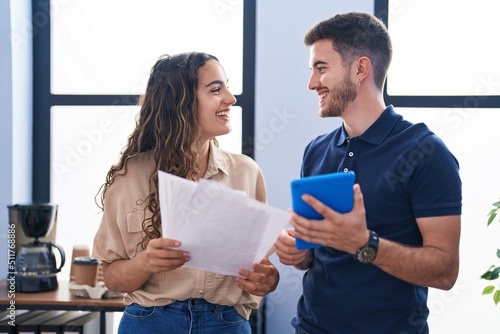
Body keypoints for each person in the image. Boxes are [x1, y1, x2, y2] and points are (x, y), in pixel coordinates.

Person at [274, 12, 461, 334]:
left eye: (321, 68)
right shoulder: (316, 150)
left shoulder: (427, 152)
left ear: (360, 69)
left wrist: (363, 243)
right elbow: (317, 256)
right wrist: (298, 252)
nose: (312, 83)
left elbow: (444, 271)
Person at [92, 52, 279, 334]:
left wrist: (268, 281)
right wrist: (145, 263)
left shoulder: (247, 173)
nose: (230, 98)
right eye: (216, 89)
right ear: (181, 102)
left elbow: (261, 270)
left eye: (226, 87)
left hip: (227, 324)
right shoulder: (129, 177)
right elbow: (112, 277)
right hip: (150, 323)